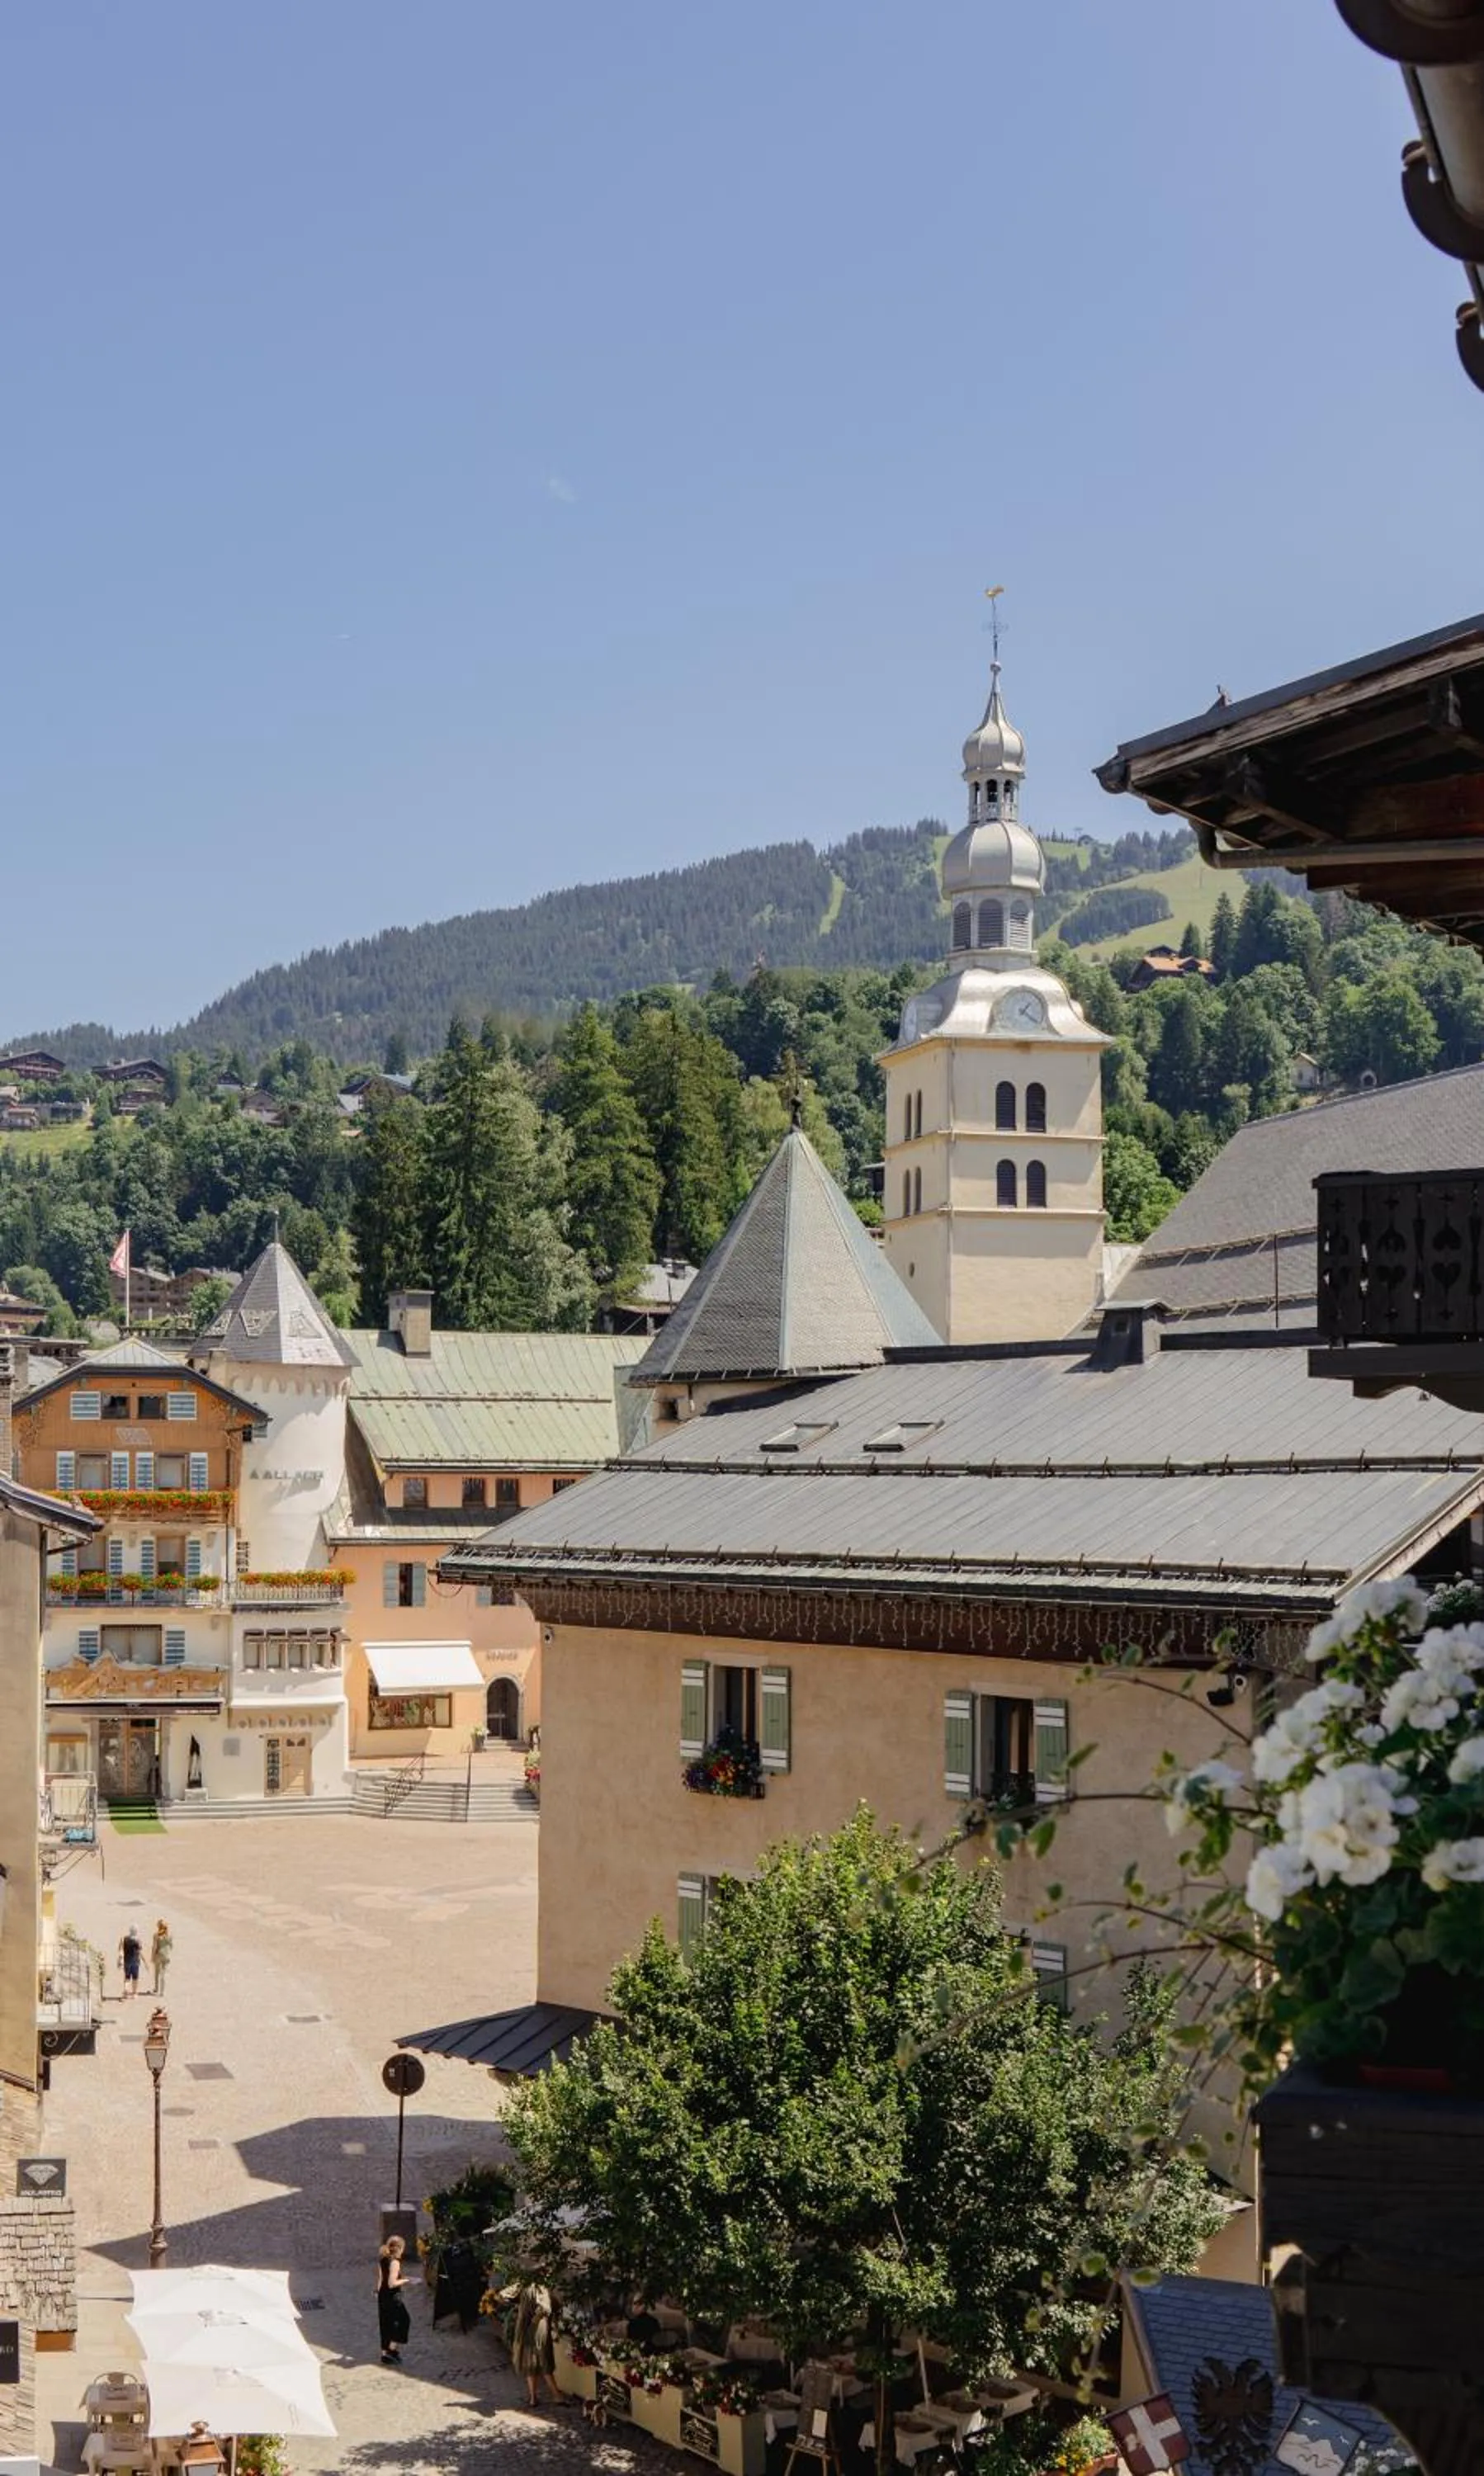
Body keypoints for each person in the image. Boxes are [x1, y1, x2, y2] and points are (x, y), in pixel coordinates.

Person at [510, 2277, 561, 2408]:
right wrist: (536, 2319)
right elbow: (545, 2308)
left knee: (530, 2364)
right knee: (544, 2362)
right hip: (538, 2329)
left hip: (526, 2329)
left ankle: (533, 2398)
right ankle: (556, 2396)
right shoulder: (540, 2289)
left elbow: (502, 2296)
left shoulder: (523, 2287)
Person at [376, 2236, 412, 2365]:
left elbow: (381, 2279)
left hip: (382, 2296)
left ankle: (385, 2354)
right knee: (404, 2320)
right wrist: (407, 2280)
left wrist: (377, 2292)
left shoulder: (383, 2260)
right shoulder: (395, 2262)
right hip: (392, 2297)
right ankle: (392, 2348)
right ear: (400, 2248)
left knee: (386, 2324)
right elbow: (392, 2283)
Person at [118, 1926, 142, 2001]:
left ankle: (126, 1991)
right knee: (135, 1978)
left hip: (127, 1960)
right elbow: (140, 1949)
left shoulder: (124, 1939)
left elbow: (120, 1948)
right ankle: (134, 1993)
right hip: (135, 1961)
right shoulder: (138, 1940)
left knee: (127, 1977)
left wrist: (120, 1958)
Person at [150, 1921, 173, 1996]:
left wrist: (152, 1957)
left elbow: (154, 1947)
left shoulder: (156, 1935)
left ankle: (156, 1988)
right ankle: (162, 1992)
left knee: (157, 1972)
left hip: (158, 1954)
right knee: (163, 1974)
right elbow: (171, 1946)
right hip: (166, 1955)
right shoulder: (169, 1935)